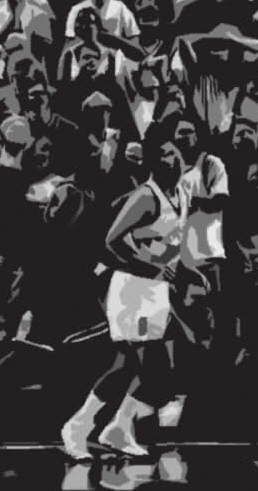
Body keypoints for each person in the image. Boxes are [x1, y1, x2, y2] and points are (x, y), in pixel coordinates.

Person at [60, 141, 189, 460]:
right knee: (149, 365)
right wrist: (150, 265)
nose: (172, 158)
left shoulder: (181, 194)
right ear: (152, 163)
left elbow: (171, 244)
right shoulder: (145, 196)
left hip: (155, 289)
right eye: (164, 154)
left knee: (127, 365)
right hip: (133, 289)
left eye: (174, 152)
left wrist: (187, 271)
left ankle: (118, 428)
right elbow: (112, 239)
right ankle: (79, 425)